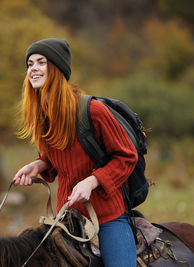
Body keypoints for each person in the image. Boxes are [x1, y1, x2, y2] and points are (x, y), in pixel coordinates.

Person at [13, 38, 138, 267]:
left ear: (58, 68)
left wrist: (92, 182)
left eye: (41, 62)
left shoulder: (92, 110)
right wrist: (38, 165)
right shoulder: (43, 115)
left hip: (107, 216)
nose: (33, 69)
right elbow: (60, 154)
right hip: (67, 218)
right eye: (30, 64)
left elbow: (127, 156)